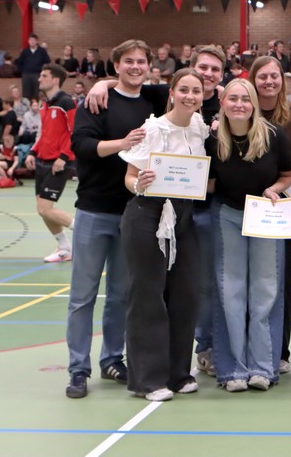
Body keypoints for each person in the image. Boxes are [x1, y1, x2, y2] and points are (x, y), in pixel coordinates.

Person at [65, 39, 167, 400]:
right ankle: (78, 369)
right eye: (128, 61)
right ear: (116, 65)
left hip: (132, 213)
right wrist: (122, 143)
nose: (135, 66)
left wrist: (103, 81)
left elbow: (190, 85)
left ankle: (112, 359)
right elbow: (81, 146)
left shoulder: (154, 99)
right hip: (94, 210)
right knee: (83, 296)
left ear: (149, 66)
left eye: (141, 61)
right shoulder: (96, 102)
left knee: (121, 295)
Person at [119, 68, 209, 401]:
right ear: (171, 92)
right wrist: (139, 184)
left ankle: (178, 373)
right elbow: (129, 177)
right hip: (147, 215)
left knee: (186, 295)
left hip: (183, 216)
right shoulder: (153, 129)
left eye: (196, 91)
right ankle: (147, 380)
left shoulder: (200, 127)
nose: (190, 96)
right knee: (148, 296)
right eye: (183, 89)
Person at [208, 79, 291, 392]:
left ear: (254, 104)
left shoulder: (274, 135)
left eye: (245, 99)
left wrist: (274, 189)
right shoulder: (212, 139)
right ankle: (232, 369)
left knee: (266, 290)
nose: (239, 104)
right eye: (233, 98)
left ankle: (263, 368)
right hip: (227, 216)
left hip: (264, 218)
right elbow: (207, 182)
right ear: (223, 103)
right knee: (229, 290)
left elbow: (287, 174)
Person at [249, 55, 291, 374]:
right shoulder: (242, 108)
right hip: (244, 205)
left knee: (281, 278)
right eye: (262, 76)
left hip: (281, 207)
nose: (269, 81)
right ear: (253, 80)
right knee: (248, 278)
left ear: (282, 80)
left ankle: (279, 350)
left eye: (274, 76)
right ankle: (249, 347)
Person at [25, 64, 77, 263]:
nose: (39, 79)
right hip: (42, 161)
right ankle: (65, 248)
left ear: (55, 80)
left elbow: (75, 133)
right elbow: (44, 134)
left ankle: (86, 232)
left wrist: (63, 157)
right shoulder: (45, 104)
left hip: (60, 163)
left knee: (46, 209)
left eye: (44, 75)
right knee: (42, 210)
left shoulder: (67, 102)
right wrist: (32, 152)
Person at [15, 33, 51, 100]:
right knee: (26, 93)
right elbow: (19, 63)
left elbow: (47, 62)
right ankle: (27, 106)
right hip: (26, 75)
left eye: (34, 40)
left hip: (38, 74)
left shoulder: (42, 51)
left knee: (38, 92)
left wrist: (43, 72)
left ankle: (38, 105)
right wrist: (23, 71)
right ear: (28, 41)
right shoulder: (25, 51)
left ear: (37, 41)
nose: (32, 42)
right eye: (30, 40)